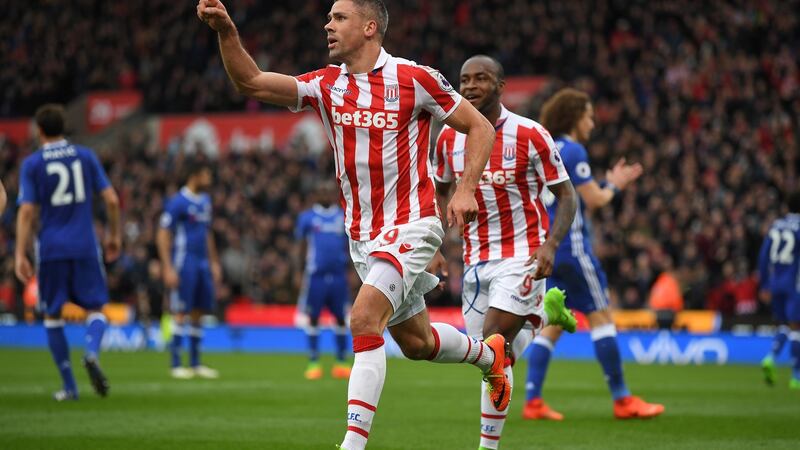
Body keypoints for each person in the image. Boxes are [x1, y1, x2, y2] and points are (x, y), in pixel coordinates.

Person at [198, 1, 514, 448]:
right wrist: (228, 32)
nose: (328, 25)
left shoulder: (413, 78)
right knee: (417, 343)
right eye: (329, 17)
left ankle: (352, 443)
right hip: (363, 237)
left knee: (364, 318)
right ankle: (489, 355)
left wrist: (464, 189)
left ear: (369, 28)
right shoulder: (326, 85)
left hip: (413, 223)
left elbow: (480, 127)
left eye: (338, 17)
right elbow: (250, 81)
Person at [434, 56, 578, 450]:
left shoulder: (531, 134)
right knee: (495, 358)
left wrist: (550, 245)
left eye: (481, 78)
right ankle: (546, 312)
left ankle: (486, 448)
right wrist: (433, 245)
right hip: (476, 260)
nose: (471, 86)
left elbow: (567, 196)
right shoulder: (449, 138)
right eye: (464, 79)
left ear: (501, 85)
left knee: (495, 344)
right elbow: (440, 191)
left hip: (524, 254)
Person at [523, 88, 664, 420]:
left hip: (547, 248)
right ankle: (622, 399)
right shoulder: (573, 150)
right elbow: (595, 199)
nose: (593, 123)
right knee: (602, 317)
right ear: (574, 117)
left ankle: (533, 400)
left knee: (552, 326)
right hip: (572, 247)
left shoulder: (544, 148)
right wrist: (614, 184)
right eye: (588, 116)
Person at [15, 104, 121, 401]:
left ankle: (70, 387)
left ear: (39, 130)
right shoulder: (85, 156)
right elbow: (112, 200)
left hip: (51, 249)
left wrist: (19, 254)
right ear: (64, 127)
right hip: (86, 245)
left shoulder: (33, 163)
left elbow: (25, 213)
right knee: (96, 309)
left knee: (52, 315)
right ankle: (91, 353)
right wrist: (114, 235)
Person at [157, 160, 221, 379]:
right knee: (181, 312)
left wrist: (213, 262)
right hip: (184, 262)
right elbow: (163, 234)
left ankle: (195, 363)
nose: (209, 179)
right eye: (206, 174)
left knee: (199, 312)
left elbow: (207, 233)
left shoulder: (205, 201)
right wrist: (167, 267)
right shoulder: (178, 202)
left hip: (202, 263)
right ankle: (176, 364)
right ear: (194, 175)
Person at [294, 181, 352, 380]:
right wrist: (297, 272)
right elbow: (301, 247)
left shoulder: (343, 216)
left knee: (341, 318)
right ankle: (313, 362)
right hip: (315, 276)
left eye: (329, 191)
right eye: (322, 192)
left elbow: (349, 247)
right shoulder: (307, 218)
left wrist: (352, 272)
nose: (326, 195)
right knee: (313, 318)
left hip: (338, 276)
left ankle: (341, 362)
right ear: (315, 195)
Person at [757, 190, 800, 388]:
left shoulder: (775, 225)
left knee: (783, 325)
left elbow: (763, 257)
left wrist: (765, 284)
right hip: (794, 284)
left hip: (775, 282)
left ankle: (771, 356)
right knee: (797, 328)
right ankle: (796, 376)